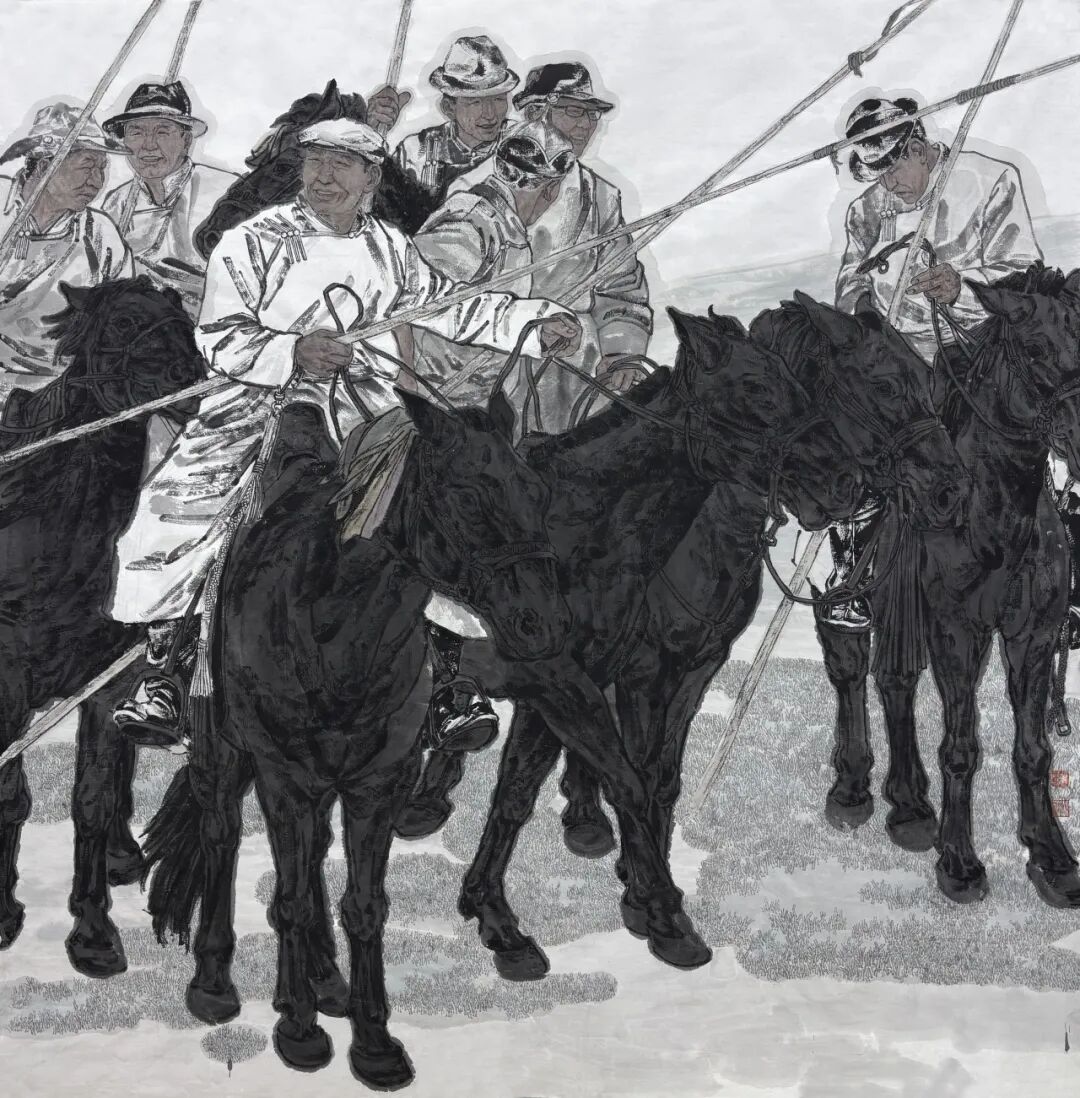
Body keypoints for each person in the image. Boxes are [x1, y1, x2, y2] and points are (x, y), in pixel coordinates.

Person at [107, 118, 581, 745]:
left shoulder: (389, 245)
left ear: (371, 177)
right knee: (181, 498)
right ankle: (166, 673)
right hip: (260, 401)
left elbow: (452, 306)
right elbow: (220, 336)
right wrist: (291, 352)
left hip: (371, 412)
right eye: (315, 162)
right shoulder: (251, 241)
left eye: (341, 165)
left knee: (447, 500)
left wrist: (534, 321)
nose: (324, 177)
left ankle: (448, 682)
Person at [819, 95, 1044, 630]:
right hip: (900, 357)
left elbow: (1024, 274)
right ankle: (856, 568)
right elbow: (850, 281)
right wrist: (861, 312)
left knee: (1044, 430)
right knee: (848, 431)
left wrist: (961, 287)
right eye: (875, 173)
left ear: (918, 148)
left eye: (893, 167)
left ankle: (1062, 575)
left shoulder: (991, 180)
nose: (887, 184)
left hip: (980, 346)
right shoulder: (866, 211)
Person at [0, 103, 132, 404]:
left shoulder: (100, 233)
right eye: (86, 166)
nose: (96, 182)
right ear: (44, 166)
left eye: (102, 168)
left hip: (63, 392)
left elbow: (123, 319)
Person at [101, 81, 237, 320]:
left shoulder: (226, 192)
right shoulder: (116, 203)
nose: (148, 145)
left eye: (162, 132)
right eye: (136, 132)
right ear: (124, 141)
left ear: (186, 140)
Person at [393, 35, 518, 209]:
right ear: (448, 108)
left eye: (498, 99)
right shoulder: (415, 153)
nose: (490, 114)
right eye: (475, 102)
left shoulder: (521, 143)